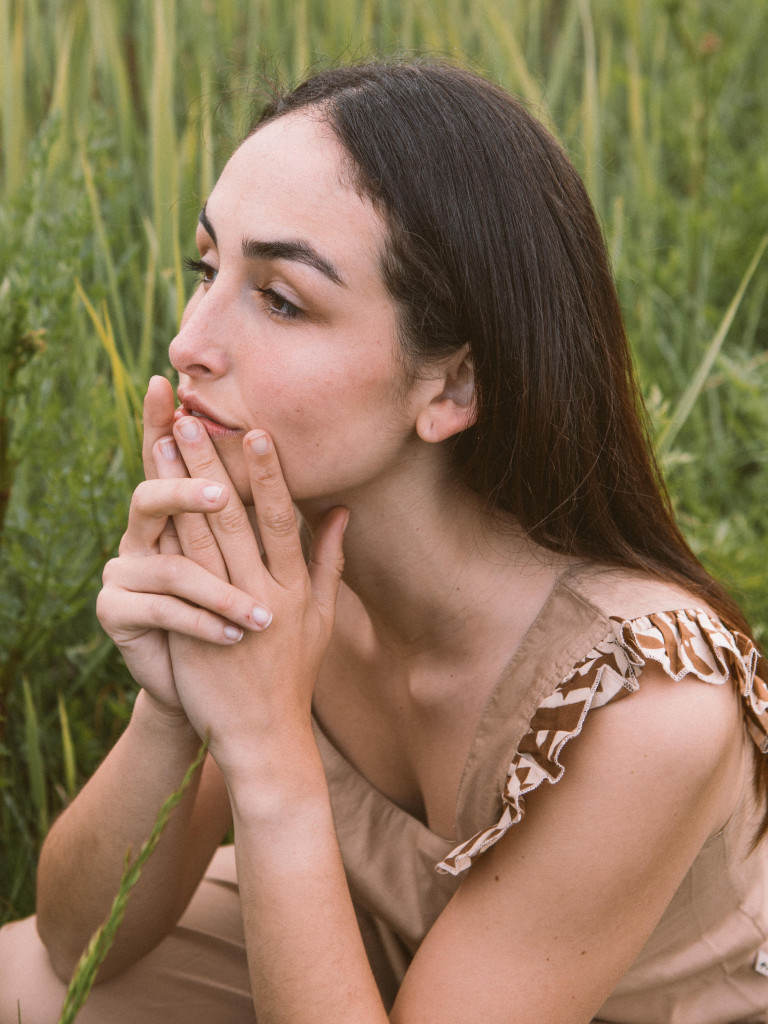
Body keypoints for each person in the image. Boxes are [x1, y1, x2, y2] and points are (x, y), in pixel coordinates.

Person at [1, 58, 766, 1024]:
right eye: (207, 269)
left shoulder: (649, 704)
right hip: (367, 938)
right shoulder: (285, 564)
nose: (189, 341)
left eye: (281, 299)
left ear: (452, 388)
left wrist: (270, 755)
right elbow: (76, 945)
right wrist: (174, 699)